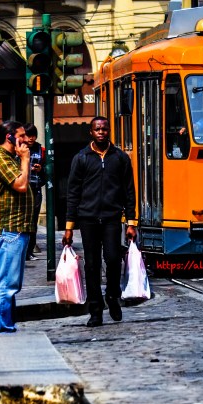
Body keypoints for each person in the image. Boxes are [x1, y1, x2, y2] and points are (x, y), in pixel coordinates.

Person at [63, 116, 137, 328]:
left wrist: (131, 222)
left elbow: (129, 192)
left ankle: (113, 296)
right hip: (88, 220)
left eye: (104, 129)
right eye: (97, 129)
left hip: (113, 218)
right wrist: (69, 228)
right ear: (91, 132)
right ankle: (95, 310)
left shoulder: (120, 158)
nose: (101, 132)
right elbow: (73, 193)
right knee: (92, 265)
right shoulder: (81, 158)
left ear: (109, 131)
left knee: (113, 259)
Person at [0, 121, 34, 333]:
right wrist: (25, 159)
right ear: (9, 137)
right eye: (22, 136)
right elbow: (21, 185)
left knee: (11, 283)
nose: (26, 140)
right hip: (8, 228)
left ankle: (7, 323)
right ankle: (2, 326)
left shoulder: (9, 157)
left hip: (16, 228)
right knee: (6, 283)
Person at [23, 123, 47, 261]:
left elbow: (47, 170)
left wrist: (40, 169)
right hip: (22, 189)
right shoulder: (20, 148)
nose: (30, 138)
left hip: (36, 187)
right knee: (24, 221)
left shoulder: (41, 150)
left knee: (32, 222)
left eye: (33, 135)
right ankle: (23, 250)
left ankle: (30, 250)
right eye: (28, 135)